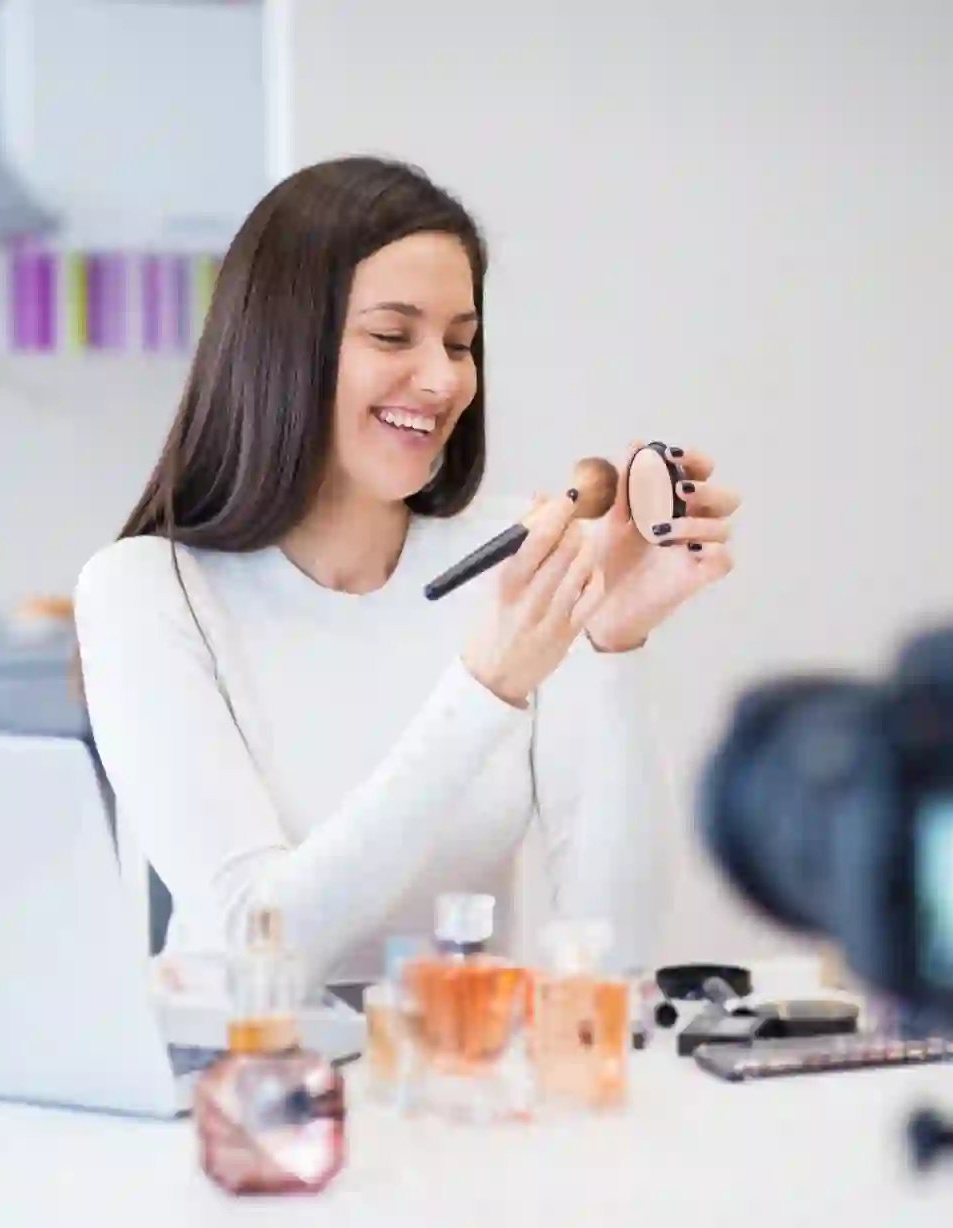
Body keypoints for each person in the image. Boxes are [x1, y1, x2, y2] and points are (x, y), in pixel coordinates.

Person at [73, 156, 740, 988]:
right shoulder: (145, 591)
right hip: (244, 1095)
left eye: (460, 343)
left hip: (461, 1087)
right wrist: (484, 689)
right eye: (393, 335)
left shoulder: (516, 556)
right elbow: (259, 944)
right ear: (282, 343)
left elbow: (617, 953)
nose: (442, 379)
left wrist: (611, 647)